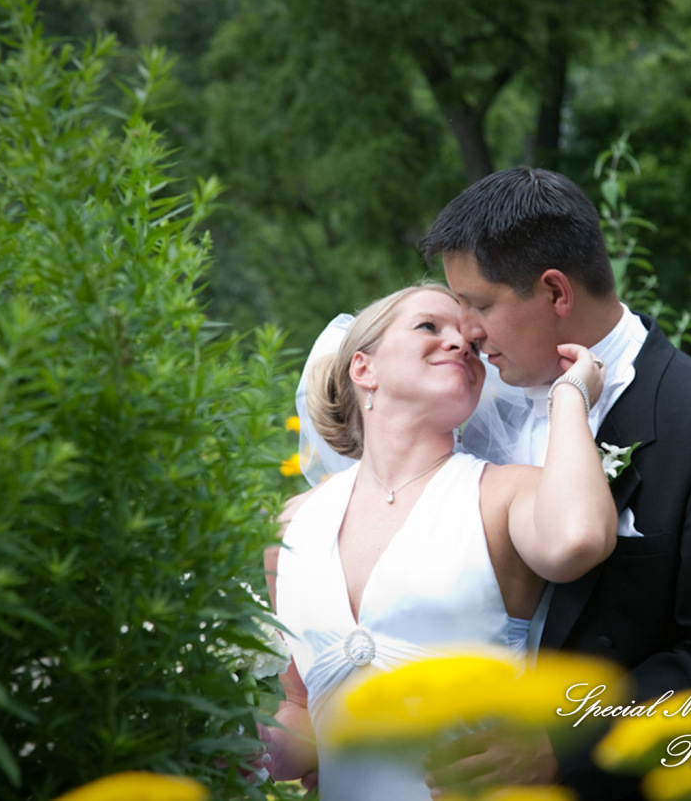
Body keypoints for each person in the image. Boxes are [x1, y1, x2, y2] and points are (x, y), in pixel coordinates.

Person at [416, 167, 691, 800]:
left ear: (555, 293)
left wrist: (563, 745)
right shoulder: (467, 416)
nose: (467, 332)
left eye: (481, 304)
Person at [262, 283, 617, 800]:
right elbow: (302, 710)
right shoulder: (290, 528)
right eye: (430, 326)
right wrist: (250, 746)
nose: (459, 344)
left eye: (473, 346)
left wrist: (569, 396)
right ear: (364, 369)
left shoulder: (504, 493)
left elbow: (577, 539)